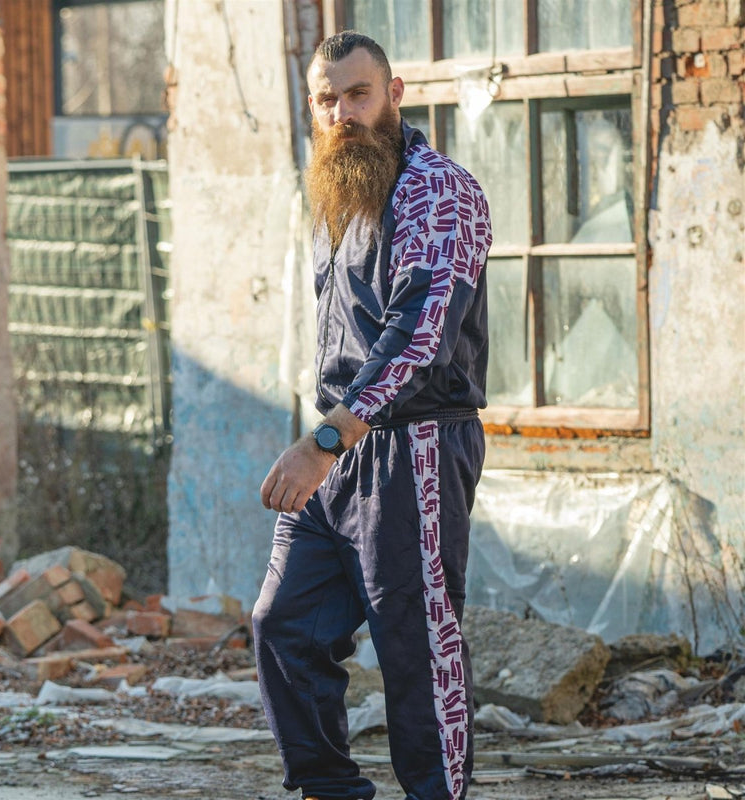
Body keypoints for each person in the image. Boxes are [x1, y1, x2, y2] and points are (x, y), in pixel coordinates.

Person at [253, 30, 492, 800]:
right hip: (340, 449)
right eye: (327, 100)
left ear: (394, 94)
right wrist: (328, 439)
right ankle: (331, 790)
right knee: (284, 626)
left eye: (358, 94)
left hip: (414, 447)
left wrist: (324, 441)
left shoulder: (437, 190)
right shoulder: (338, 193)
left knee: (417, 649)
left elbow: (419, 334)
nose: (342, 114)